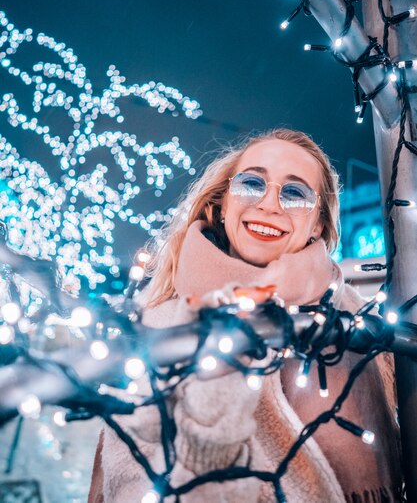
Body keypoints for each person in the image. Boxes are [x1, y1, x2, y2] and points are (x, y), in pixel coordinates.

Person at [89, 128, 402, 503]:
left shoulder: (358, 317)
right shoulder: (160, 324)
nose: (270, 204)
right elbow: (130, 481)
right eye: (252, 183)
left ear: (317, 224)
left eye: (295, 192)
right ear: (224, 204)